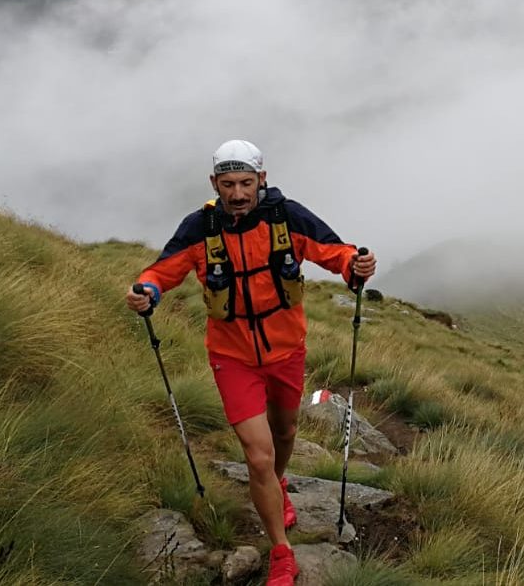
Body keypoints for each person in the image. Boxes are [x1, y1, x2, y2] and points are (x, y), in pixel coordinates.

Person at [127, 139, 376, 586]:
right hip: (231, 356)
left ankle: (279, 486)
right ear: (214, 184)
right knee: (257, 457)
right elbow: (163, 270)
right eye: (228, 184)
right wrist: (146, 292)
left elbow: (332, 250)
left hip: (286, 351)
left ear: (262, 179)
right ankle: (281, 550)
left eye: (245, 183)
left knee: (286, 432)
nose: (238, 194)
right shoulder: (199, 228)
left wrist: (356, 265)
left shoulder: (286, 217)